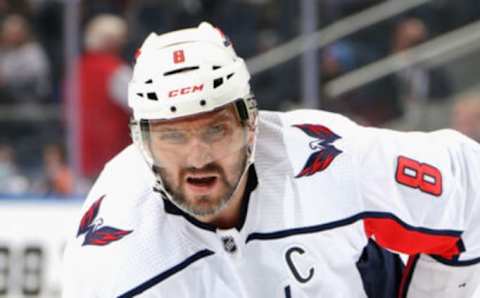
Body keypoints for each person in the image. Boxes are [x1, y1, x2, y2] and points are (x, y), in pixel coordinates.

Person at [62, 22, 480, 297]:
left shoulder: (325, 157)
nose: (197, 157)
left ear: (252, 125)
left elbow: (468, 181)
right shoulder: (113, 252)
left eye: (216, 128)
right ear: (141, 144)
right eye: (172, 136)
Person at [73, 14, 132, 181]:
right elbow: (142, 106)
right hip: (114, 154)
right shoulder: (115, 71)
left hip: (82, 154)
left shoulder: (77, 69)